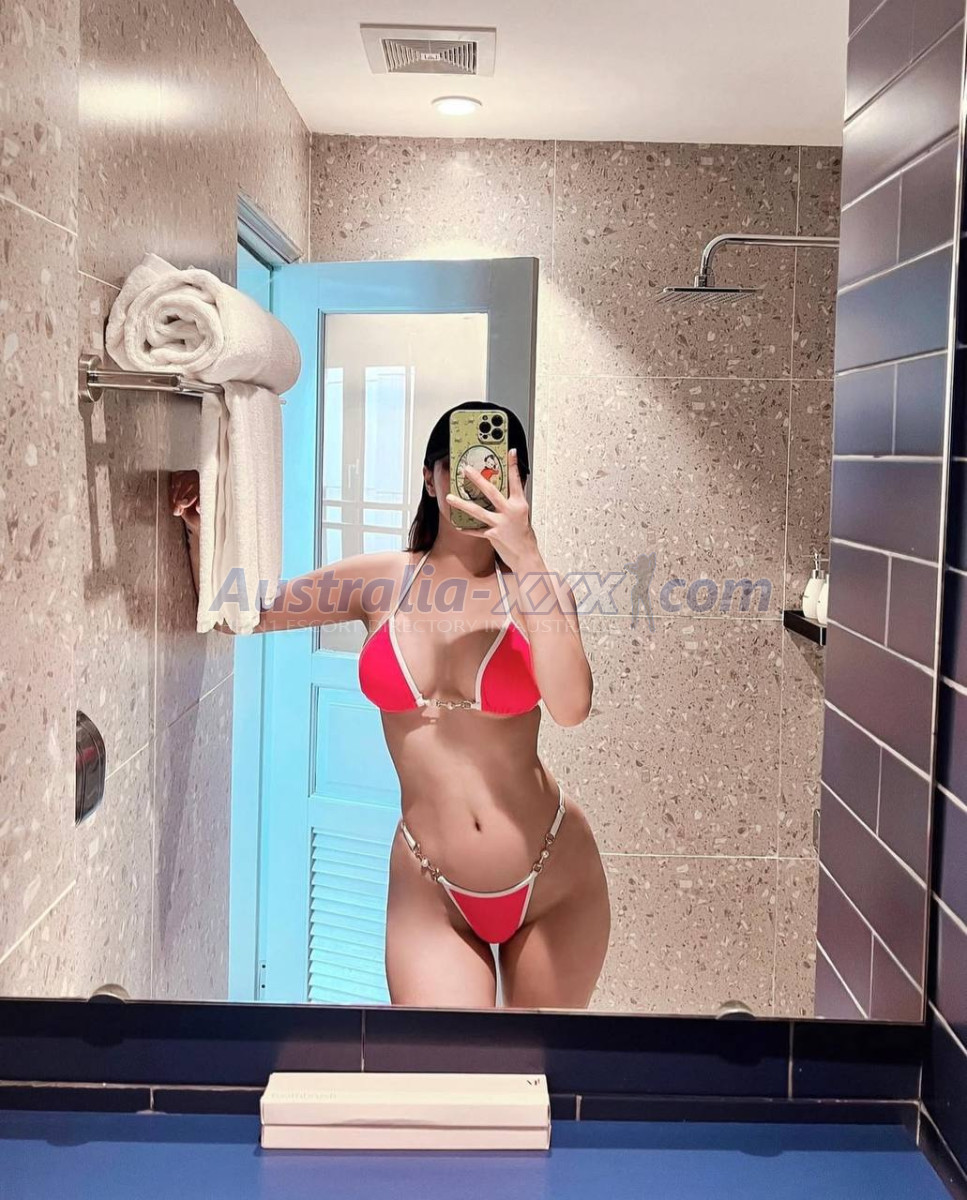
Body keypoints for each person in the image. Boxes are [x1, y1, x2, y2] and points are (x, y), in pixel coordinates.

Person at [170, 402, 611, 1008]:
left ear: (520, 487)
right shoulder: (380, 580)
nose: (476, 485)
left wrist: (528, 554)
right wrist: (204, 528)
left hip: (553, 879)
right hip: (432, 889)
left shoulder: (539, 591)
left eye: (495, 472)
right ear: (430, 479)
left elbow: (571, 707)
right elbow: (244, 615)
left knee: (535, 1065)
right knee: (441, 1062)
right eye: (459, 469)